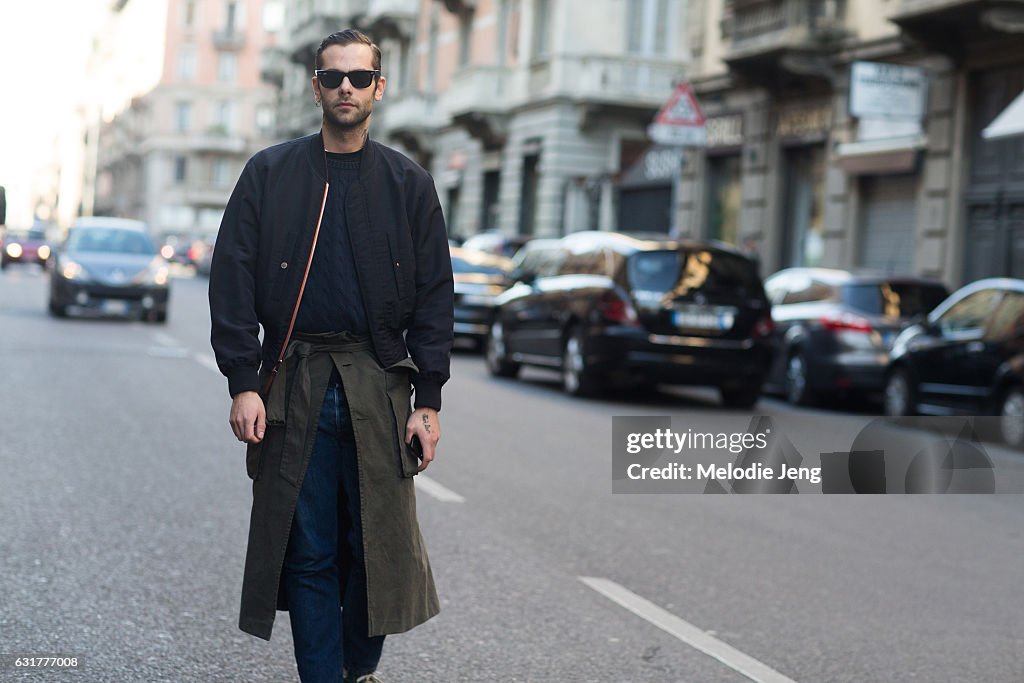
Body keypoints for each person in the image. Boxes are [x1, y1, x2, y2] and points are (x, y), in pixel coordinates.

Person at [208, 29, 453, 683]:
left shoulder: (408, 183)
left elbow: (435, 298)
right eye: (334, 76)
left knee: (374, 548)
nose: (347, 86)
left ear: (379, 87)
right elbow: (231, 279)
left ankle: (358, 668)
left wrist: (427, 400)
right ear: (316, 86)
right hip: (295, 381)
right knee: (310, 551)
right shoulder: (269, 173)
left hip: (379, 385)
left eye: (360, 77)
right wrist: (243, 380)